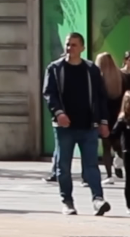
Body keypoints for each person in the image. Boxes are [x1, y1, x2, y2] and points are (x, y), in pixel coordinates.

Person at [43, 32, 111, 216]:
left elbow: (100, 96)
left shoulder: (91, 69)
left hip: (88, 126)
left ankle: (98, 199)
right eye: (67, 44)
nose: (69, 48)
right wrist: (59, 113)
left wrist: (103, 121)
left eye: (74, 45)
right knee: (63, 167)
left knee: (91, 165)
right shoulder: (55, 68)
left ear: (82, 48)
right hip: (65, 127)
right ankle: (67, 201)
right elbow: (50, 94)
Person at [95, 52, 123, 179]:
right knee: (118, 145)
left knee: (106, 147)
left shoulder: (98, 78)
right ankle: (120, 167)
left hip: (104, 116)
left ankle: (108, 175)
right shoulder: (121, 76)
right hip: (118, 115)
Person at [110, 92, 130, 211]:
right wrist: (118, 150)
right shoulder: (123, 120)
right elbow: (114, 135)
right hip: (128, 152)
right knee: (129, 179)